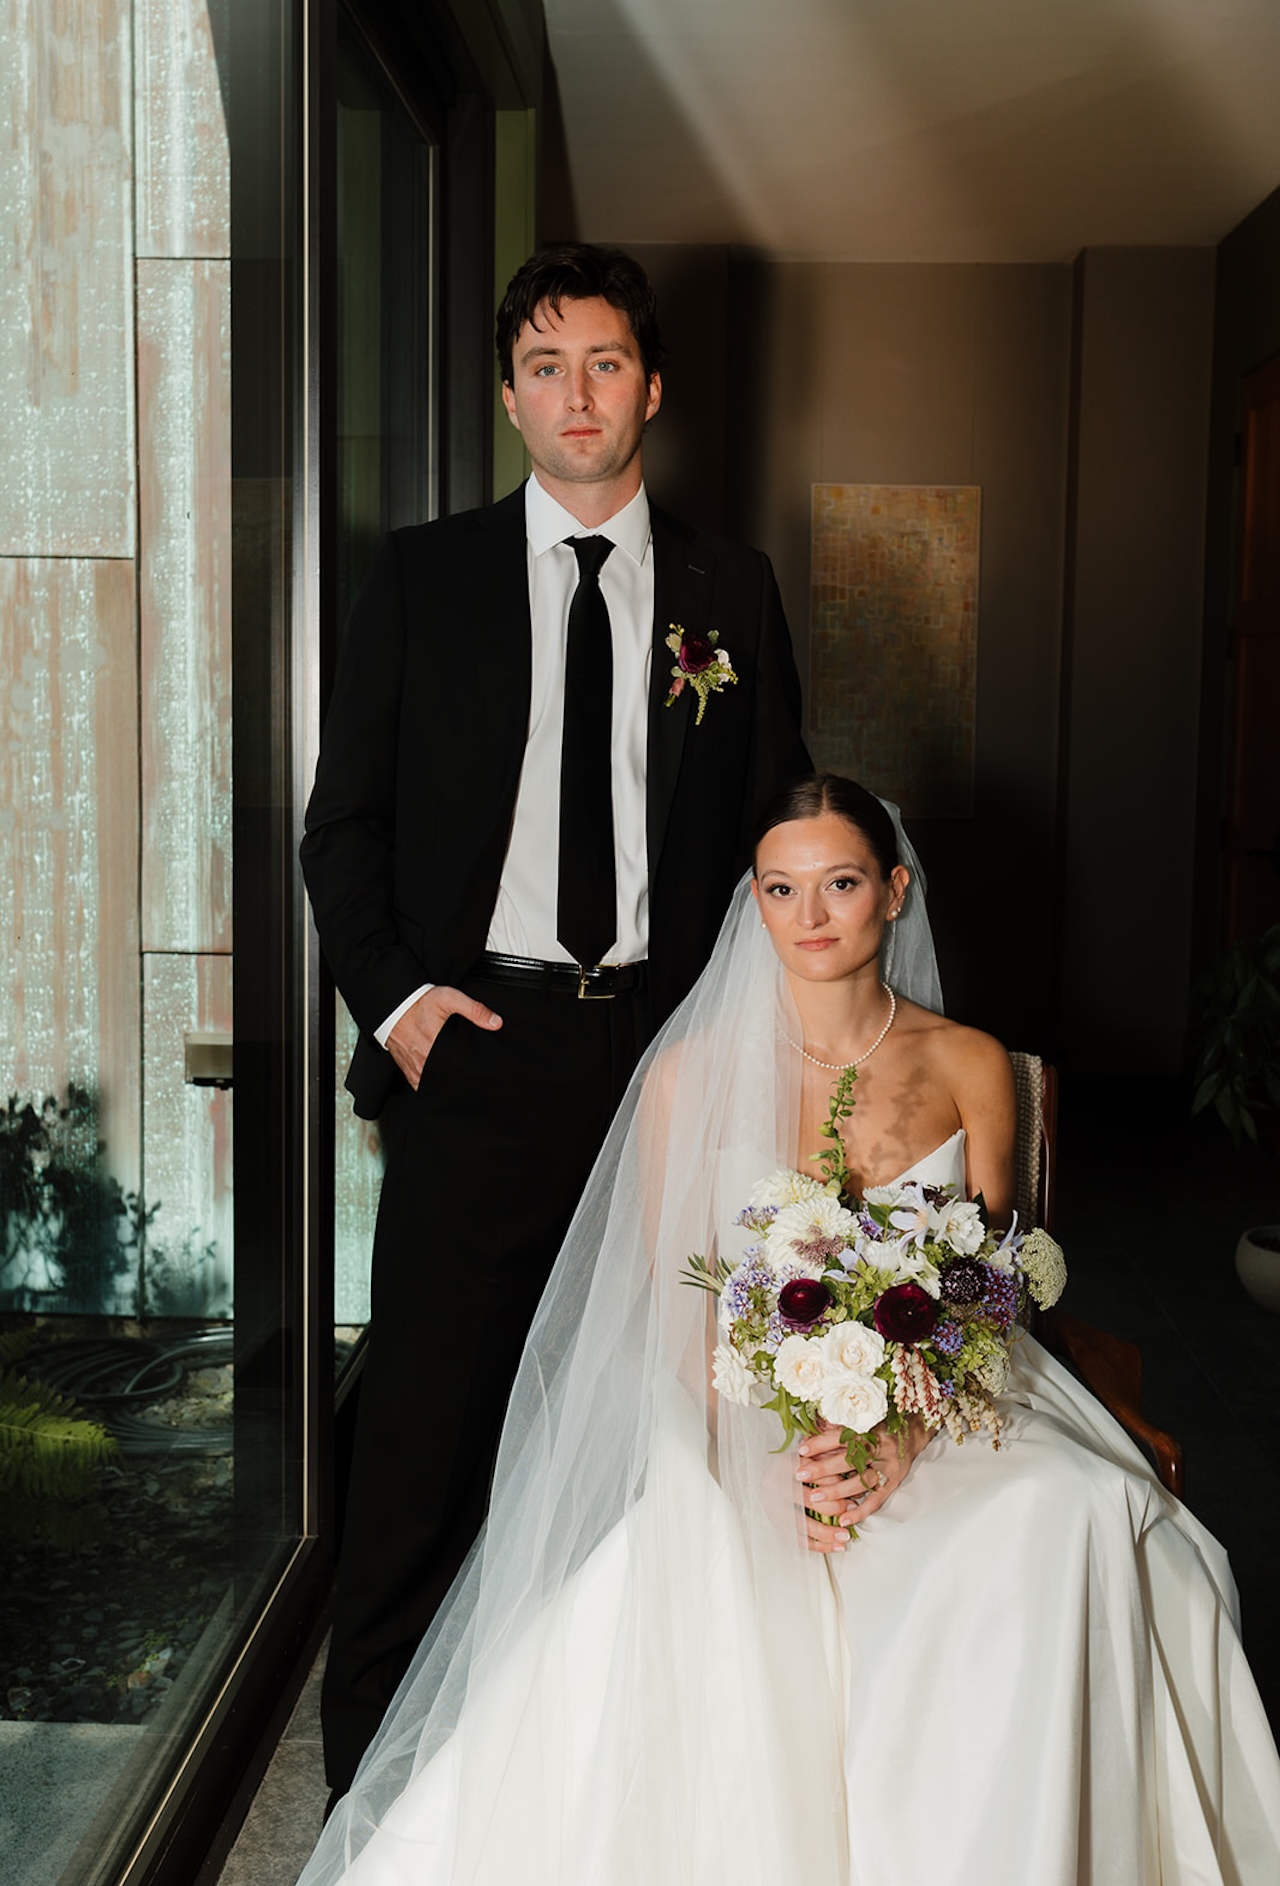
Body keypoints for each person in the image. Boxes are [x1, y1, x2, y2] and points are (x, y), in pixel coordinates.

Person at [299, 773, 1280, 1886]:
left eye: (841, 884)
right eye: (780, 889)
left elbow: (991, 1283)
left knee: (1073, 1510)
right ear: (752, 904)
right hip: (735, 1411)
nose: (809, 917)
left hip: (946, 1396)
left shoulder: (970, 1063)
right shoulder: (682, 1076)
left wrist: (904, 1431)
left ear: (893, 893)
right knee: (729, 1562)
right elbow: (681, 1316)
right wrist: (752, 1462)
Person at [299, 242, 811, 1796]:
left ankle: (600, 1772)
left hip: (668, 1059)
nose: (574, 393)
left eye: (602, 362)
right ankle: (374, 1787)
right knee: (429, 1434)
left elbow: (782, 832)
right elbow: (345, 827)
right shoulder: (427, 574)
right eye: (543, 365)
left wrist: (752, 1046)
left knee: (654, 1418)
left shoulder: (729, 589)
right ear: (509, 398)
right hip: (482, 1051)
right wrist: (397, 1005)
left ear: (651, 388)